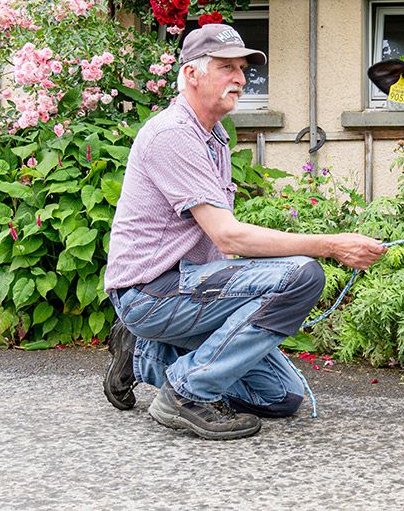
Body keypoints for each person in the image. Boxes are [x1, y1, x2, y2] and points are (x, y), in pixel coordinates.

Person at [103, 23, 385, 440]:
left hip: (187, 289)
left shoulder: (213, 136)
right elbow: (228, 237)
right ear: (191, 74)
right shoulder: (172, 135)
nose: (240, 78)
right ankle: (184, 393)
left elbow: (220, 246)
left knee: (280, 397)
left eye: (242, 69)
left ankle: (145, 354)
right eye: (226, 68)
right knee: (303, 275)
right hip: (152, 292)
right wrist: (331, 245)